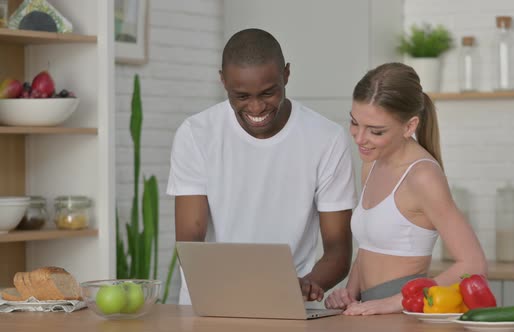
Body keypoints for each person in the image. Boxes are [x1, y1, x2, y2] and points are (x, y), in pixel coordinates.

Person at [166, 28, 357, 305]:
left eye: (268, 93)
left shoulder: (326, 138)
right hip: (210, 304)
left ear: (287, 75)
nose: (256, 108)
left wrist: (308, 285)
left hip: (291, 304)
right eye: (241, 96)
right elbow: (190, 241)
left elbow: (339, 250)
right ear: (223, 81)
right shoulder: (196, 133)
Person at [324, 63, 487, 315]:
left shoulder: (422, 176)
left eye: (375, 131)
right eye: (355, 123)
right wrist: (349, 293)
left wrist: (391, 303)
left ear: (410, 126)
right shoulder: (373, 163)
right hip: (369, 309)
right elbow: (369, 247)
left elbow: (473, 264)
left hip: (405, 311)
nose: (359, 138)